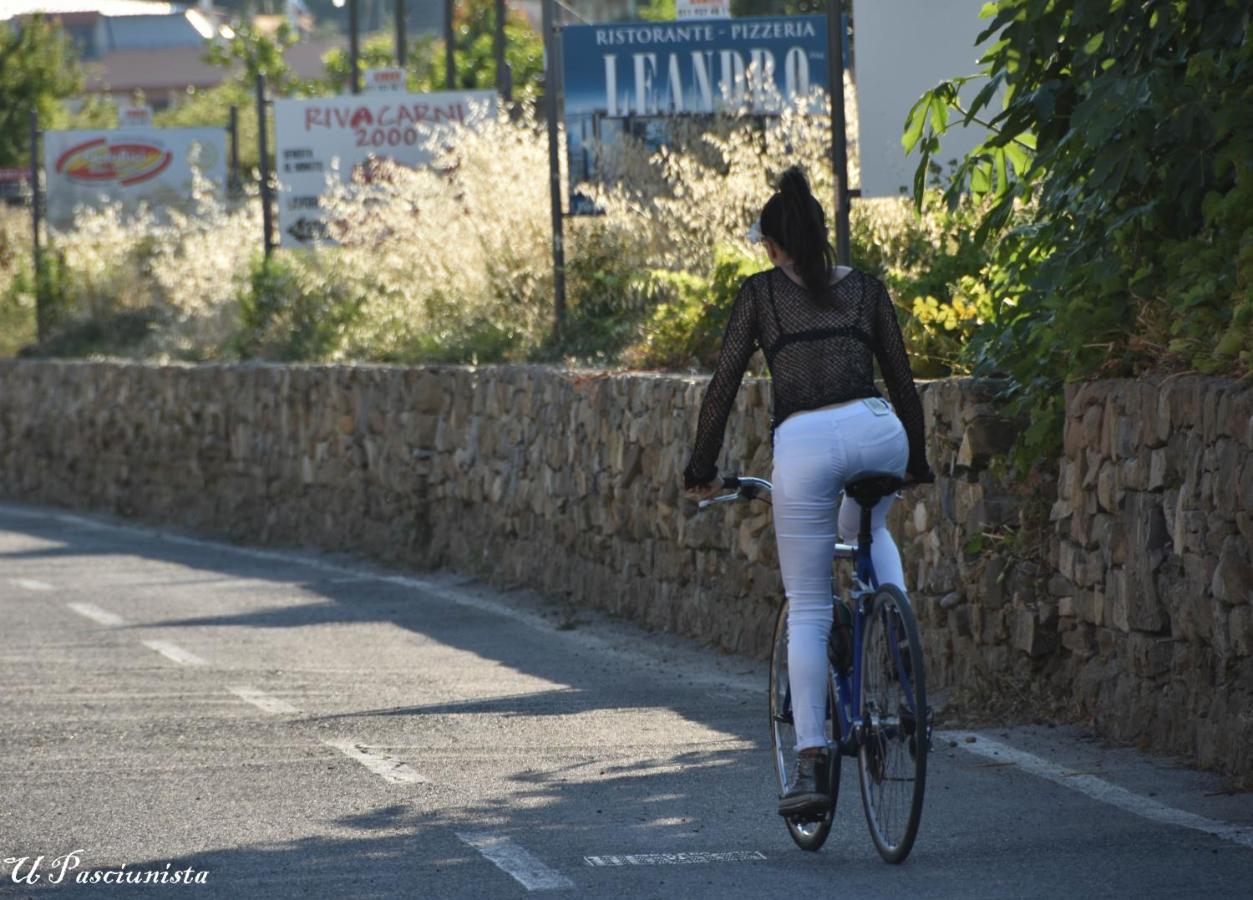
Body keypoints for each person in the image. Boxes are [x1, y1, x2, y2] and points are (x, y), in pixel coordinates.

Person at [682, 166, 934, 819]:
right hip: (879, 432)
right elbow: (902, 384)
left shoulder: (761, 296)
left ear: (774, 243)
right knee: (869, 532)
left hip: (806, 445)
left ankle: (812, 764)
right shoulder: (866, 289)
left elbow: (722, 387)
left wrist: (700, 467)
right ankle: (898, 634)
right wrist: (917, 460)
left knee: (809, 603)